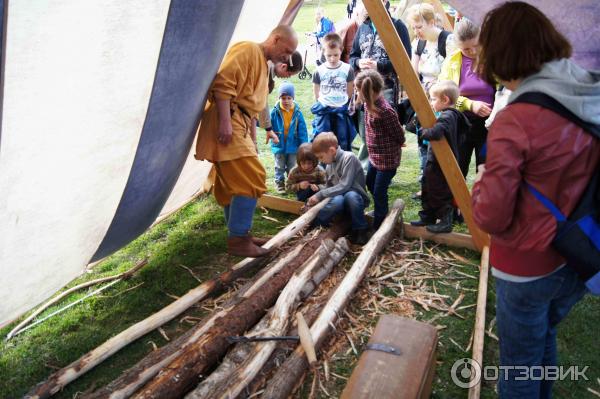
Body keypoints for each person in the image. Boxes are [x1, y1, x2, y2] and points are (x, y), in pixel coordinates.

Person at [471, 2, 600, 397]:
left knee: (518, 364)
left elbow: (491, 215)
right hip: (580, 250)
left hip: (528, 262)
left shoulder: (517, 118)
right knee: (543, 335)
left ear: (502, 54)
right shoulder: (590, 88)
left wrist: (480, 184)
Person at [195, 25, 298, 258]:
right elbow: (223, 83)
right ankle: (239, 240)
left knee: (233, 182)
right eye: (287, 50)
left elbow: (252, 106)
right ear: (276, 38)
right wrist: (224, 122)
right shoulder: (247, 50)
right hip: (228, 122)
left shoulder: (263, 64)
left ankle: (241, 235)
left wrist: (251, 135)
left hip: (239, 124)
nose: (287, 57)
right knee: (253, 176)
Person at [350, 0, 411, 172]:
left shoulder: (398, 26)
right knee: (365, 132)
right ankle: (367, 170)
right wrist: (359, 62)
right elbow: (352, 56)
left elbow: (404, 60)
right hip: (363, 88)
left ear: (384, 2)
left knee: (382, 131)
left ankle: (383, 169)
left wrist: (379, 66)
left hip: (386, 88)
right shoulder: (364, 26)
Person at [406, 3, 455, 197]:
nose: (417, 31)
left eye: (420, 27)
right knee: (423, 141)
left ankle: (444, 188)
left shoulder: (448, 40)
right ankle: (425, 183)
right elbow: (413, 70)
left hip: (442, 101)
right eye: (414, 28)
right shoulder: (418, 44)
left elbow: (451, 75)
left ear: (432, 22)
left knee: (440, 143)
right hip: (424, 100)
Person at [438, 18, 495, 178]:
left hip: (489, 125)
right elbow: (444, 95)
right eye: (466, 49)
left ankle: (483, 202)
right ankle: (456, 203)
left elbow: (505, 88)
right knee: (458, 168)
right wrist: (469, 104)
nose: (473, 52)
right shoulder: (452, 62)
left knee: (486, 171)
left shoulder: (493, 58)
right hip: (461, 123)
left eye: (476, 46)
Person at [411, 80, 470, 233]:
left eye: (433, 99)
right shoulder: (449, 115)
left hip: (440, 162)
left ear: (445, 99)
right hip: (435, 159)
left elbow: (436, 133)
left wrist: (423, 131)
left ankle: (445, 220)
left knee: (438, 191)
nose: (431, 102)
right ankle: (428, 216)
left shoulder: (448, 116)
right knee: (427, 186)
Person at [354, 70, 405, 230]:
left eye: (358, 91)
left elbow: (398, 133)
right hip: (375, 157)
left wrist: (400, 142)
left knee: (379, 192)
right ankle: (379, 211)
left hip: (387, 159)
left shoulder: (385, 111)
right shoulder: (367, 104)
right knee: (370, 182)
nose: (356, 93)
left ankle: (380, 225)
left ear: (368, 92)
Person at [307, 132, 370, 245]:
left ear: (331, 151)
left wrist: (320, 195)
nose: (321, 160)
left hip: (356, 198)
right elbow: (329, 186)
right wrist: (318, 194)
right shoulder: (330, 164)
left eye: (321, 157)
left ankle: (361, 230)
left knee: (350, 196)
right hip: (341, 199)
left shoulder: (349, 158)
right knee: (337, 200)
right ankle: (318, 224)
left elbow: (345, 185)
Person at [311, 33, 357, 151]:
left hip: (341, 110)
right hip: (324, 110)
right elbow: (316, 90)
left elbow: (349, 90)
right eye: (328, 55)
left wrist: (342, 102)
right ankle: (324, 166)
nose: (332, 59)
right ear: (323, 52)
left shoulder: (347, 69)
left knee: (342, 139)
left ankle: (342, 165)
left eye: (336, 55)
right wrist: (323, 102)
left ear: (341, 50)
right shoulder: (319, 71)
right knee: (324, 141)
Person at [269, 82, 309, 193]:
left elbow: (302, 130)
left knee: (292, 166)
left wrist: (304, 145)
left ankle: (291, 183)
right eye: (283, 98)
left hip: (293, 146)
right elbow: (267, 124)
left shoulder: (297, 113)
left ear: (293, 98)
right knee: (279, 166)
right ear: (279, 98)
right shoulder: (275, 111)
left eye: (289, 98)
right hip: (279, 144)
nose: (286, 101)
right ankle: (279, 183)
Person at [258, 50, 304, 135]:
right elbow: (262, 101)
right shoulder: (264, 72)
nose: (288, 77)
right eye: (289, 74)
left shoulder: (268, 67)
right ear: (283, 66)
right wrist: (268, 128)